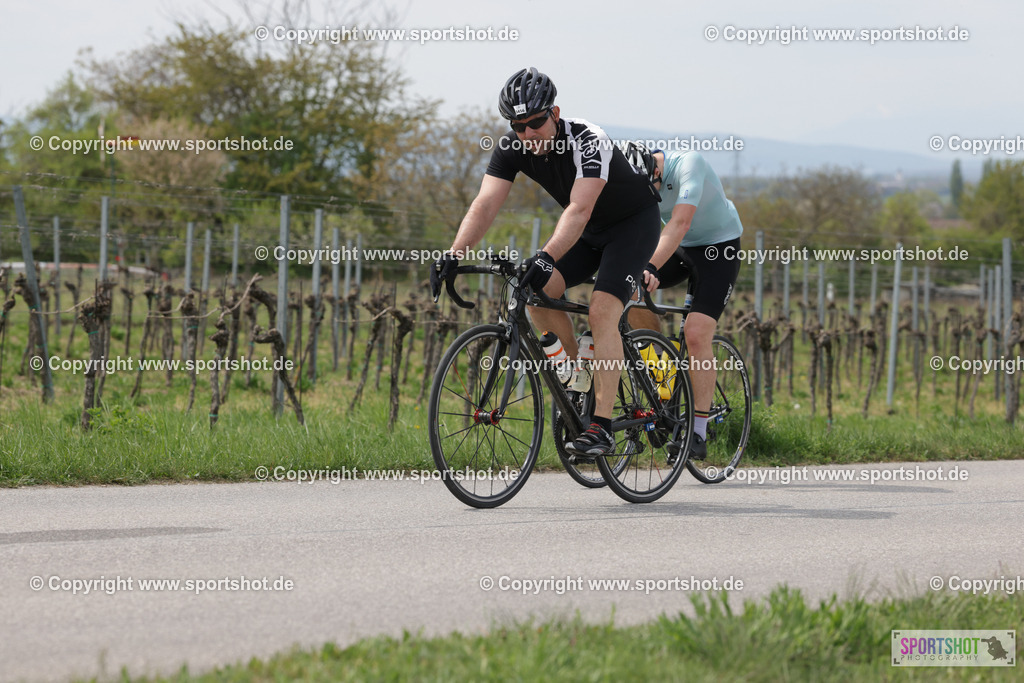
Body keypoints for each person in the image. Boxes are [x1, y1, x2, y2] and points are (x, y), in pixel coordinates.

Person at [431, 67, 661, 456]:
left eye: (536, 122)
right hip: (587, 235)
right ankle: (579, 381)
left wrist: (547, 255)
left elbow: (580, 207)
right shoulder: (512, 147)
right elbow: (486, 203)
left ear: (554, 114)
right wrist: (454, 254)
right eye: (518, 126)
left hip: (631, 226)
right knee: (535, 289)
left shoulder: (588, 140)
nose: (527, 133)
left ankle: (601, 426)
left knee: (603, 310)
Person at [627, 147, 743, 461]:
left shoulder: (689, 164)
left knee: (695, 334)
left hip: (719, 249)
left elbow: (679, 223)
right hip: (681, 248)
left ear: (655, 172)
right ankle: (664, 383)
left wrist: (650, 266)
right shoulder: (638, 179)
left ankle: (698, 431)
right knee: (630, 292)